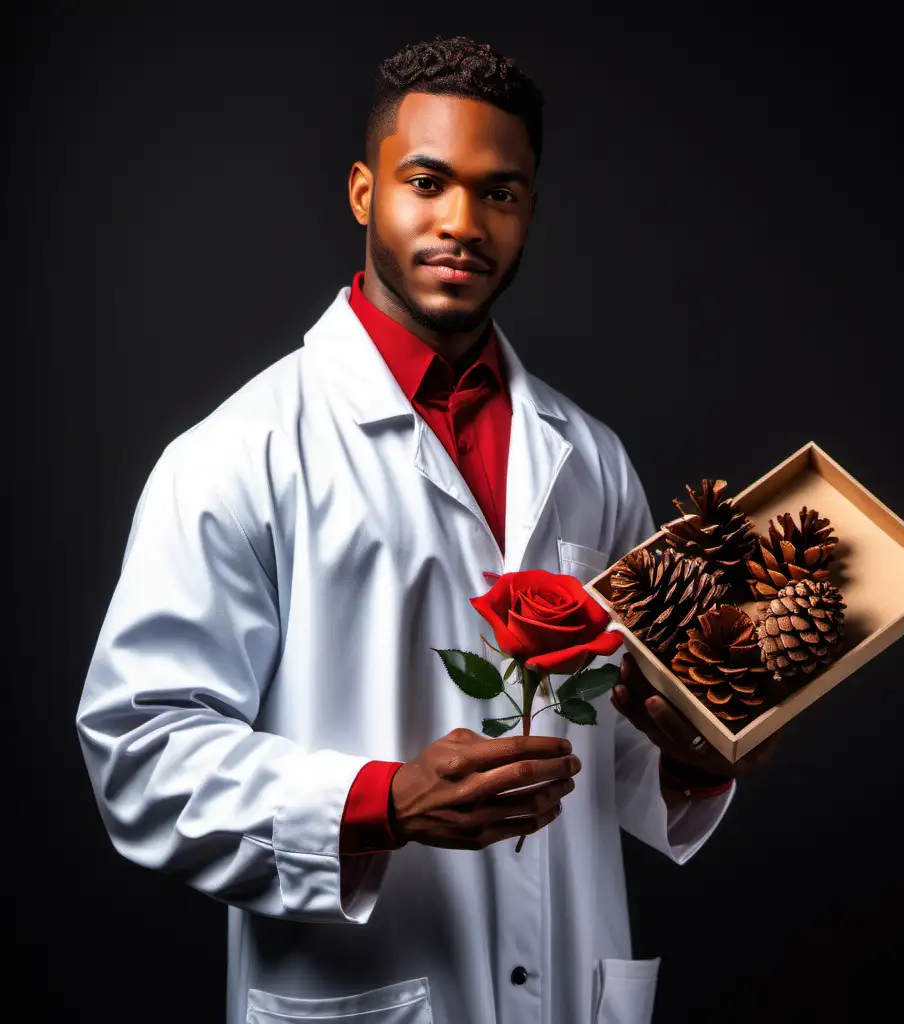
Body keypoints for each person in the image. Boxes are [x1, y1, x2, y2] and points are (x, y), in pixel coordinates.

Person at [76, 35, 779, 1024]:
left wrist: (700, 751)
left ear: (529, 209)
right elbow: (138, 749)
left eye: (499, 192)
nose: (462, 222)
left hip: (572, 984)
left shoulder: (590, 456)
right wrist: (382, 801)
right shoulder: (238, 453)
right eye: (426, 181)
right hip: (364, 990)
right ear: (364, 192)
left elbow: (615, 752)